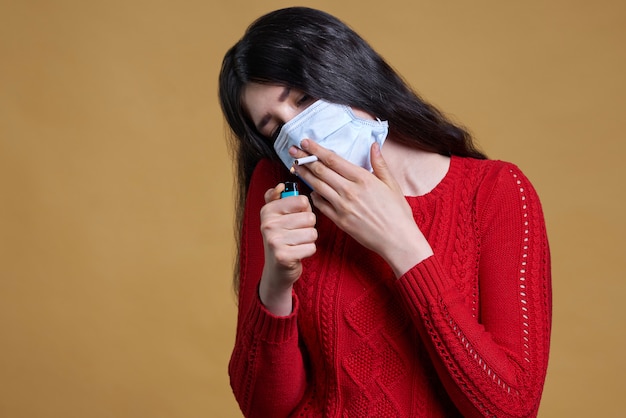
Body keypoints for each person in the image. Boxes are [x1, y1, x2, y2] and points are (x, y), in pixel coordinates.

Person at [218, 7, 551, 418]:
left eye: (303, 100)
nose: (298, 132)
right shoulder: (281, 190)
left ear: (346, 71)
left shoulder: (496, 192)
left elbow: (512, 407)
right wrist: (276, 284)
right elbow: (263, 408)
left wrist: (402, 244)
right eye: (275, 128)